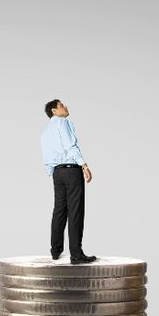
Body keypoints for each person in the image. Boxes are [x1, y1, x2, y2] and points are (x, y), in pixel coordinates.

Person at [40, 99, 96, 264]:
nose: (66, 107)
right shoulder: (62, 123)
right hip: (71, 169)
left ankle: (55, 251)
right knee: (75, 211)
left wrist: (53, 172)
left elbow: (46, 156)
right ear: (54, 111)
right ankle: (76, 254)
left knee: (59, 210)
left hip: (57, 172)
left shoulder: (44, 132)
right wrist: (84, 165)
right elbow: (70, 145)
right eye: (62, 105)